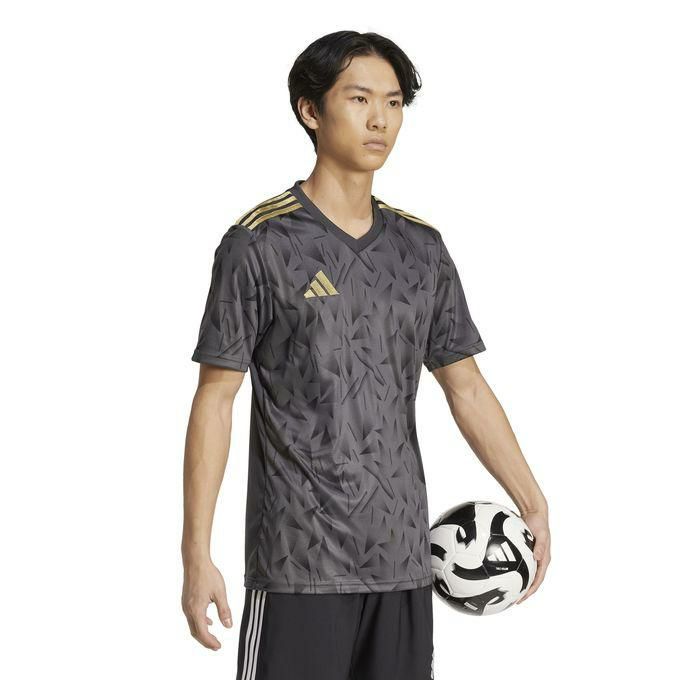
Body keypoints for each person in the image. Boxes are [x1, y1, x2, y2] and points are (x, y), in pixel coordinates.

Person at [181, 30, 551, 680]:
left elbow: (465, 386)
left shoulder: (421, 250)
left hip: (403, 563)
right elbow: (216, 399)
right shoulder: (260, 244)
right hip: (298, 562)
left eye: (394, 102)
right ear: (310, 110)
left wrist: (531, 499)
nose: (380, 118)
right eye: (359, 99)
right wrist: (196, 552)